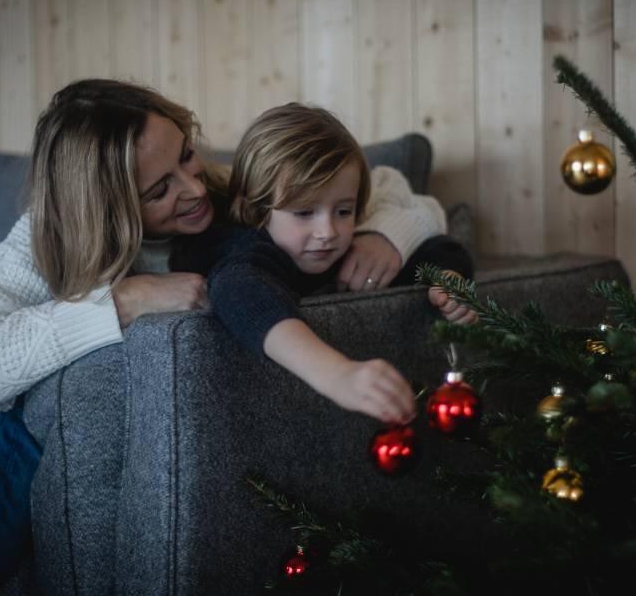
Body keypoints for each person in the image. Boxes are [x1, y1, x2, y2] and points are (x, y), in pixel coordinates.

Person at [0, 79, 449, 596]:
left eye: (187, 156)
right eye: (159, 189)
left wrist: (387, 238)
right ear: (106, 205)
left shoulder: (227, 195)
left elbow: (393, 188)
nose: (193, 189)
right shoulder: (42, 239)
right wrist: (125, 300)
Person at [195, 103, 477, 424]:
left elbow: (439, 250)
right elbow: (241, 291)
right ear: (252, 212)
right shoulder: (246, 251)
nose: (327, 232)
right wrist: (337, 375)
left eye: (343, 211)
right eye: (304, 213)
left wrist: (448, 281)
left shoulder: (353, 246)